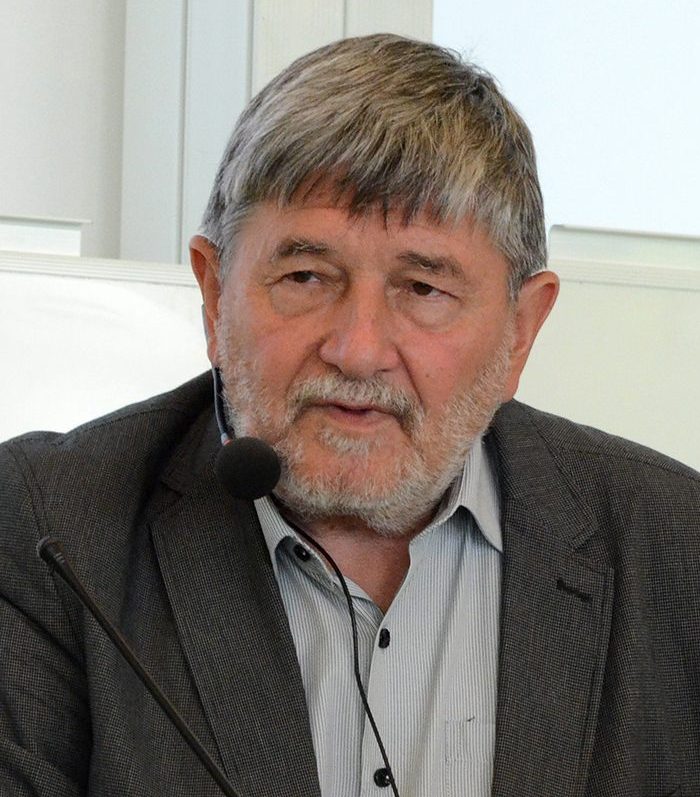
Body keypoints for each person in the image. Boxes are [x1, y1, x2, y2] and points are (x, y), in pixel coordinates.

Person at [1, 34, 698, 797]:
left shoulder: (676, 548)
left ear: (521, 330)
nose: (358, 350)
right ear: (214, 293)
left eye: (423, 289)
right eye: (306, 276)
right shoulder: (48, 530)